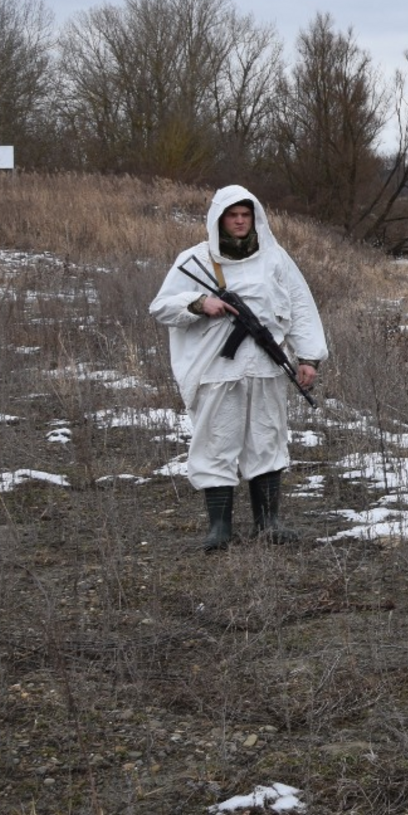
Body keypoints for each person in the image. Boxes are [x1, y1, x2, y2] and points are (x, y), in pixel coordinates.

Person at [150, 186, 327, 552]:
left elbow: (300, 306)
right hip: (217, 368)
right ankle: (220, 527)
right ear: (220, 219)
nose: (240, 221)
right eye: (233, 215)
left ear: (255, 217)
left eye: (246, 214)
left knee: (267, 438)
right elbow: (161, 307)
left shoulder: (275, 258)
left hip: (266, 366)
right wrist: (199, 303)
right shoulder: (194, 259)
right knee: (217, 441)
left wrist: (308, 358)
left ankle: (269, 522)